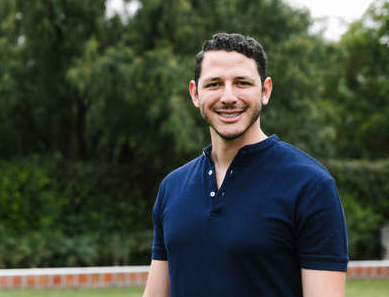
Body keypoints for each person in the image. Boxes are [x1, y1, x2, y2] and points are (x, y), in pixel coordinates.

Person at [142, 33, 348, 297]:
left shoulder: (310, 185)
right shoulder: (172, 187)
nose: (228, 97)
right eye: (214, 84)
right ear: (195, 93)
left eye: (242, 83)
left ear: (265, 90)